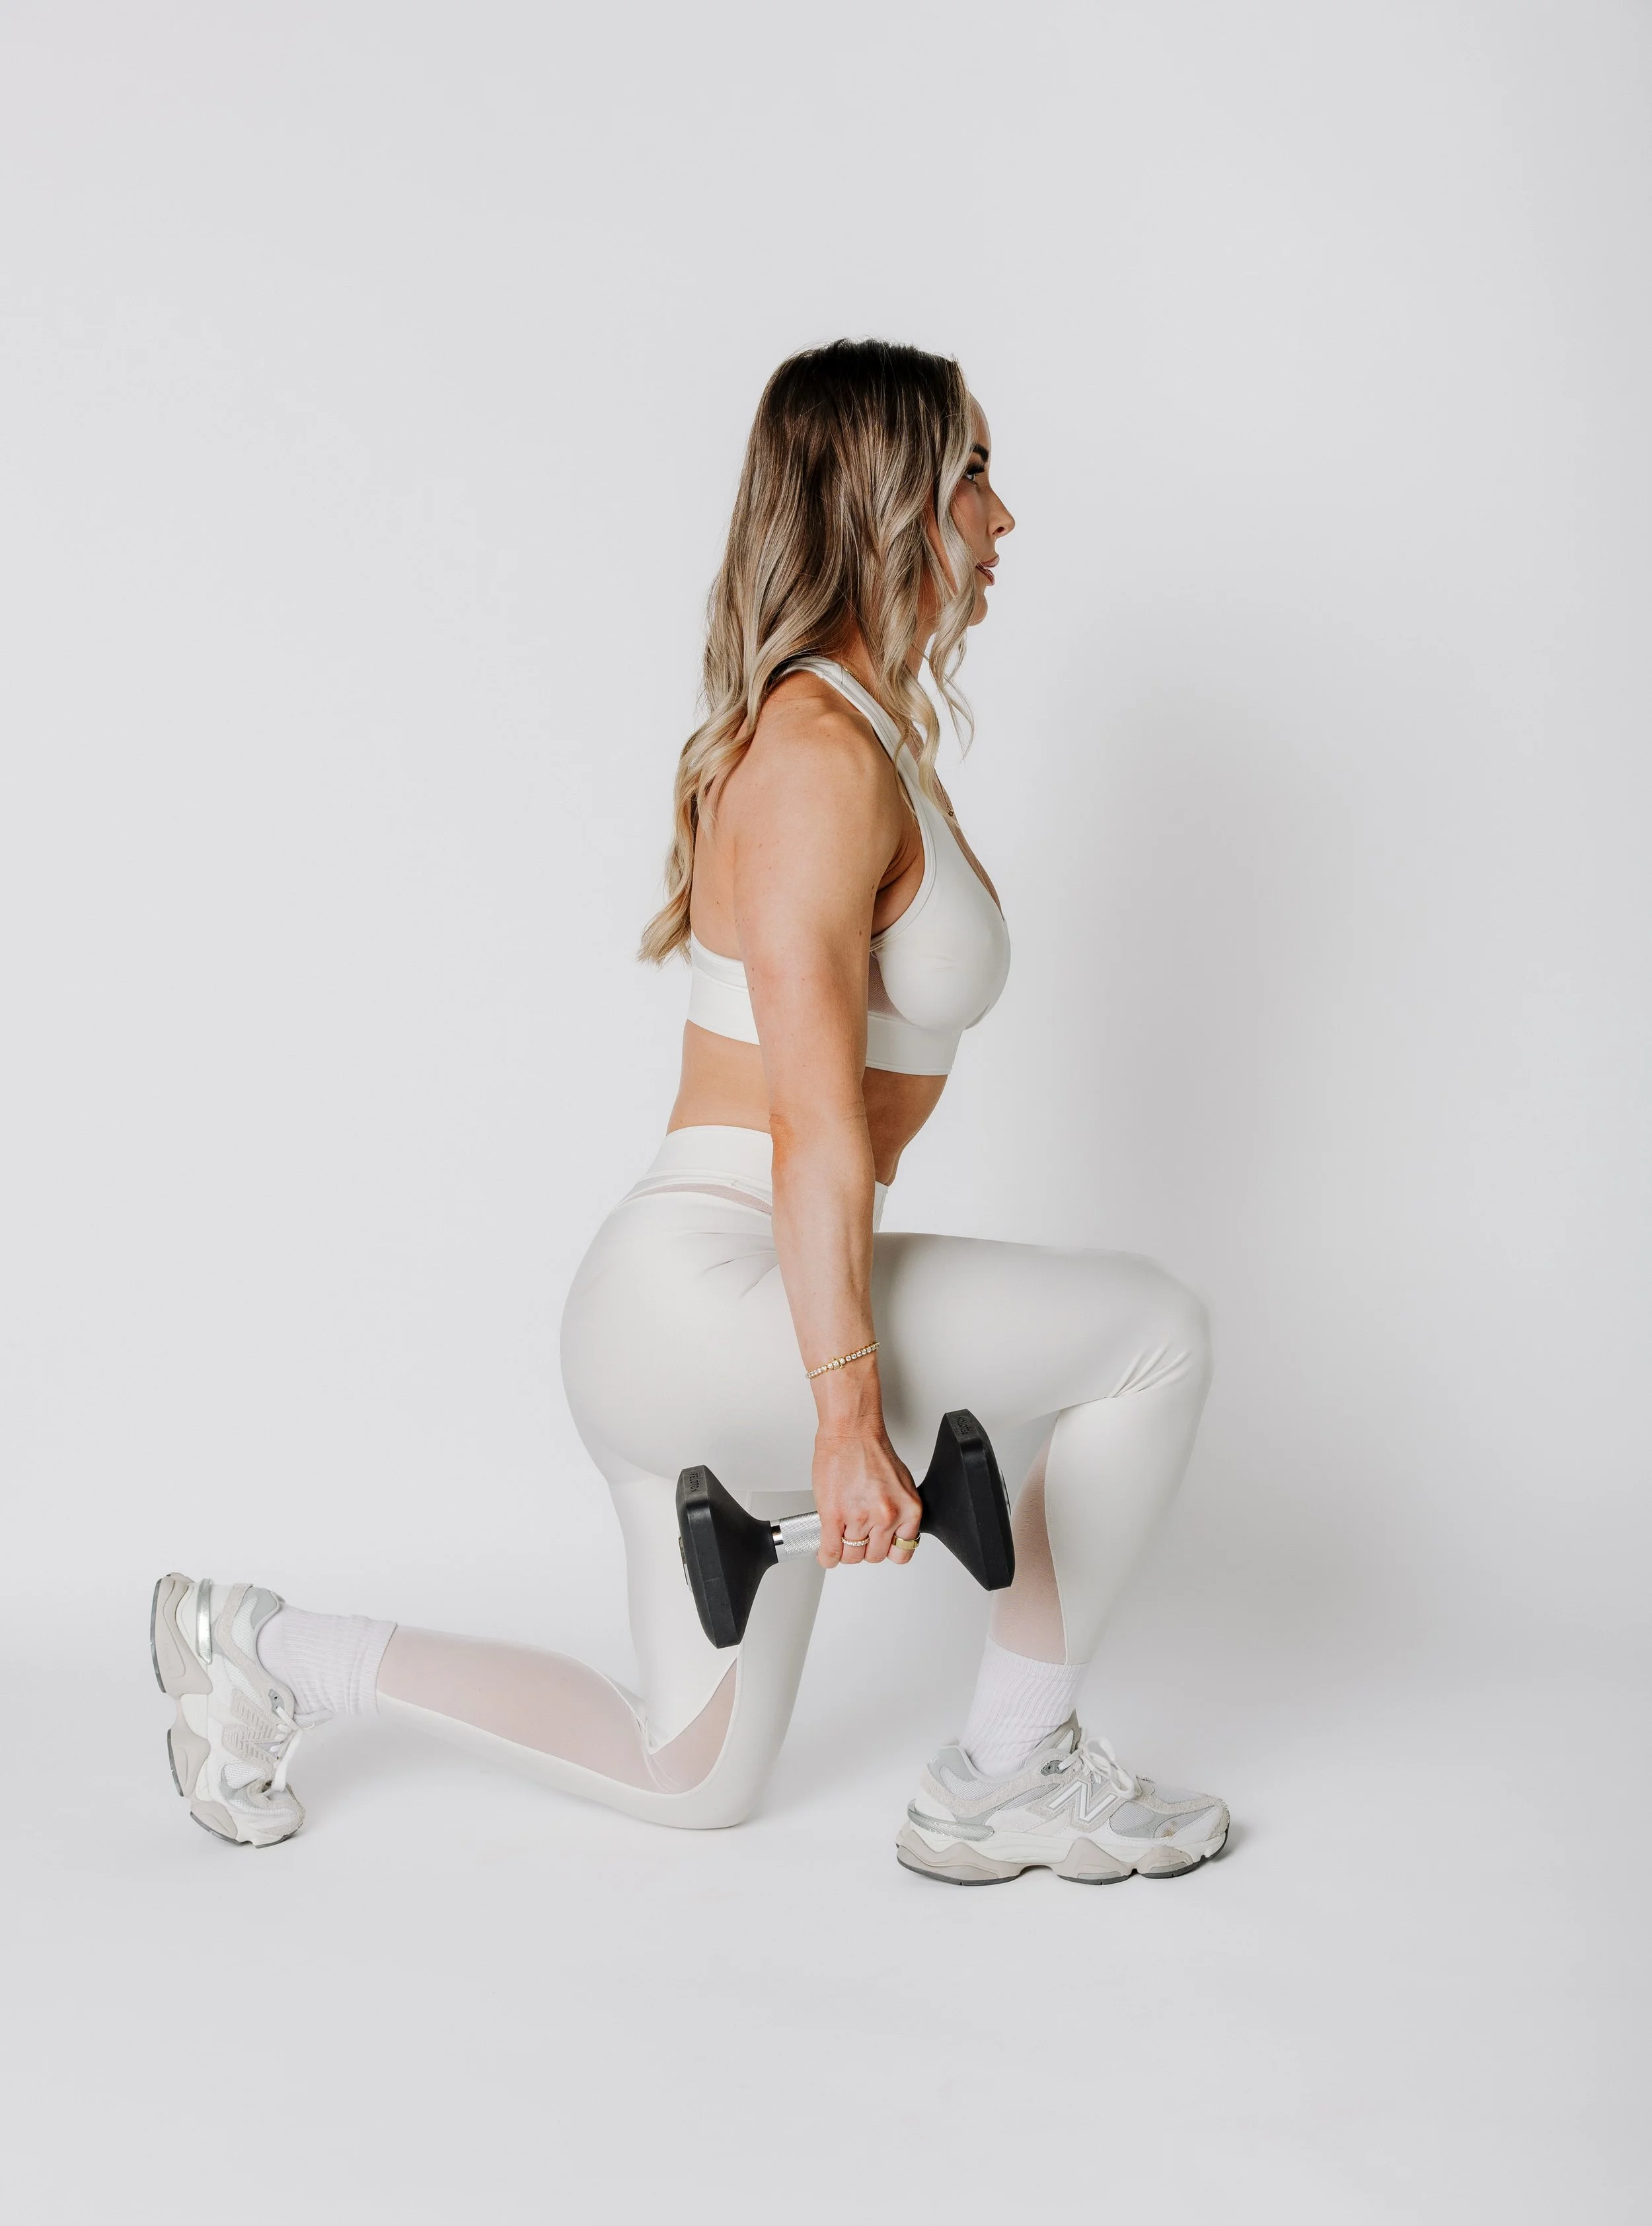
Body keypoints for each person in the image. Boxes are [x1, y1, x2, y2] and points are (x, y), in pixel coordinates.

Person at [150, 338, 1228, 1884]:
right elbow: (811, 1127)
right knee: (1153, 1332)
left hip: (703, 1323)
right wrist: (847, 1423)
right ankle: (1008, 1769)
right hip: (711, 1297)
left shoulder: (857, 733)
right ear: (888, 495)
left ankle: (258, 1649)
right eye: (973, 473)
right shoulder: (811, 760)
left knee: (691, 1772)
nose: (1002, 520)